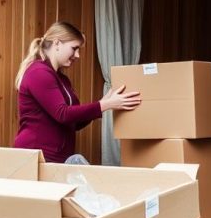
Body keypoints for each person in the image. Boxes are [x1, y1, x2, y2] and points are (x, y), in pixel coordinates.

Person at [13, 21, 140, 163]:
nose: (78, 55)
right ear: (57, 44)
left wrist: (105, 104)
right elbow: (62, 114)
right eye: (74, 48)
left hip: (56, 158)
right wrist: (104, 105)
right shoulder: (38, 72)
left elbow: (75, 122)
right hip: (36, 155)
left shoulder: (62, 79)